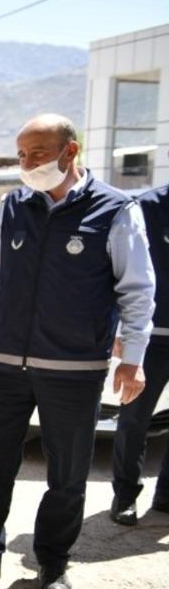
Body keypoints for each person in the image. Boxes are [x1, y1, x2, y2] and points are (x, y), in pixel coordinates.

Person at [0, 114, 154, 589]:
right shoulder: (13, 208)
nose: (26, 164)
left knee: (67, 475)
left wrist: (132, 358)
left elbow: (138, 290)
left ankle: (53, 562)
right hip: (6, 365)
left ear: (70, 152)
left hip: (75, 370)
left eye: (37, 154)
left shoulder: (115, 211)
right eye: (21, 154)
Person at [111, 180, 169, 524]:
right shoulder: (147, 207)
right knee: (135, 420)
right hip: (152, 337)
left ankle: (166, 496)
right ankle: (125, 497)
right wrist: (122, 329)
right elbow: (122, 269)